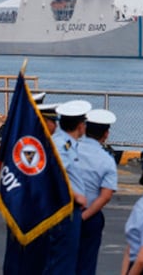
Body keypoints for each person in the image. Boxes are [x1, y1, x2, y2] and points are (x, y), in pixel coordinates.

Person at [1, 102, 59, 275]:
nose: (55, 126)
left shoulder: (47, 146)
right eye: (52, 121)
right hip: (28, 212)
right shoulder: (30, 147)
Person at [43, 99, 91, 273]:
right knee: (61, 263)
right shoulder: (60, 145)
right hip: (64, 210)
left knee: (67, 261)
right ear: (80, 126)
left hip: (70, 210)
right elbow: (55, 174)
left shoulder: (67, 144)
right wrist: (75, 195)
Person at [78, 108, 118, 275]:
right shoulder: (107, 160)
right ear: (106, 134)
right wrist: (84, 217)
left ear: (85, 128)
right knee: (86, 263)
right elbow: (105, 196)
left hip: (62, 213)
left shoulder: (69, 149)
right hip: (90, 216)